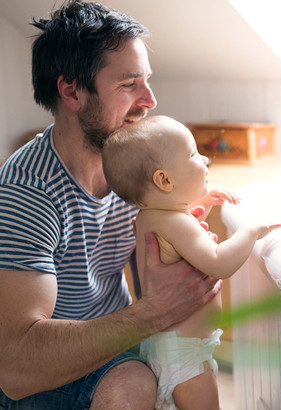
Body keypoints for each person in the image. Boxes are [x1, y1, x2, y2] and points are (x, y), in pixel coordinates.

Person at [0, 2, 223, 408]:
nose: (150, 100)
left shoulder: (131, 164)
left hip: (116, 342)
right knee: (133, 385)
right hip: (43, 374)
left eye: (147, 81)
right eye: (129, 84)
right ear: (71, 91)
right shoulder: (28, 193)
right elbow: (15, 368)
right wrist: (153, 313)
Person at [102, 115, 281, 410]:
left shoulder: (152, 217)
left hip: (170, 348)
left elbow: (176, 246)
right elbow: (218, 262)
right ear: (164, 180)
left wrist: (195, 205)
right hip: (186, 357)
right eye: (193, 153)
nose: (205, 159)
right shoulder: (176, 223)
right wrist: (250, 231)